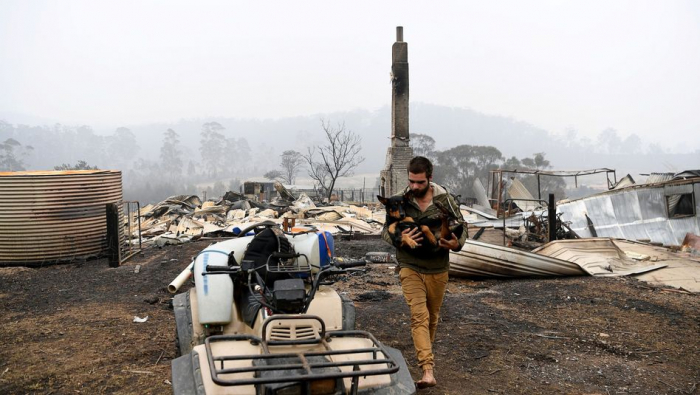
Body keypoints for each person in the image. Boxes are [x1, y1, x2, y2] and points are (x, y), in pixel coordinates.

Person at [381, 156, 468, 389]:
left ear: (430, 178)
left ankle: (425, 355)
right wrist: (401, 238)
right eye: (412, 181)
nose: (415, 187)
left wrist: (456, 243)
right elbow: (385, 230)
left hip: (438, 268)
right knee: (419, 316)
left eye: (420, 182)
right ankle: (427, 370)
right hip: (410, 266)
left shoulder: (444, 199)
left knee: (432, 317)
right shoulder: (399, 200)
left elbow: (462, 227)